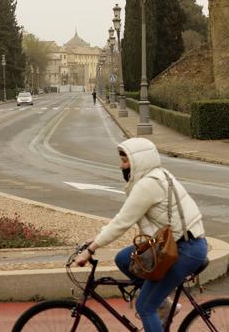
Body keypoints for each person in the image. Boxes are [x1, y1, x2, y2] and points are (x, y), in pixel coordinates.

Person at [75, 137, 207, 332]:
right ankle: (164, 306)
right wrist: (96, 239)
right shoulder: (159, 174)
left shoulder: (148, 185)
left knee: (145, 307)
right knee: (123, 258)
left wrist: (91, 250)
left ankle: (156, 306)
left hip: (184, 249)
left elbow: (122, 222)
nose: (121, 166)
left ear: (139, 161)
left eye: (125, 160)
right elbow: (125, 217)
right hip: (179, 243)